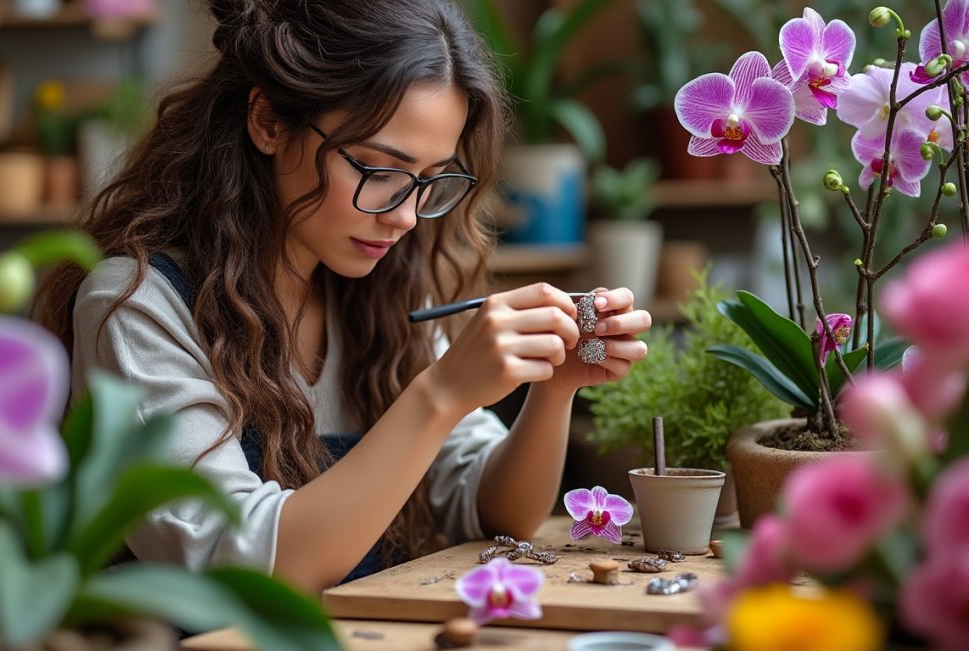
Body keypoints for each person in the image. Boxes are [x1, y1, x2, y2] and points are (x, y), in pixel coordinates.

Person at [35, 0, 651, 592]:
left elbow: (492, 510)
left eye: (431, 181)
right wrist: (439, 395)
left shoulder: (384, 288)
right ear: (269, 121)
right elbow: (244, 566)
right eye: (379, 170)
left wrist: (554, 387)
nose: (407, 216)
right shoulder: (140, 304)